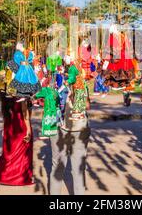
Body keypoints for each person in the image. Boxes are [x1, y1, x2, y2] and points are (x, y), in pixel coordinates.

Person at [49, 62, 90, 195]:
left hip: (59, 129)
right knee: (78, 169)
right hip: (80, 129)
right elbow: (87, 106)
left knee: (57, 168)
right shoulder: (83, 86)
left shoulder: (56, 83)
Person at [0, 96, 34, 190]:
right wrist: (29, 130)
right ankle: (23, 177)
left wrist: (4, 127)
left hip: (9, 127)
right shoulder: (21, 95)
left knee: (7, 155)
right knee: (23, 153)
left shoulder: (5, 96)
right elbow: (25, 115)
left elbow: (4, 114)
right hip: (20, 127)